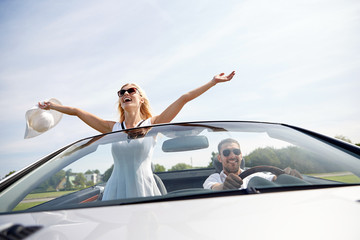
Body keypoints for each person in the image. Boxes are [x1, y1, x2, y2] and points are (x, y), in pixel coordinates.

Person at [39, 71, 236, 200]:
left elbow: (184, 98)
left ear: (141, 98)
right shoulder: (113, 127)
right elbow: (77, 111)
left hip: (145, 188)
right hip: (115, 189)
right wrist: (52, 106)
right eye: (121, 92)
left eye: (131, 90)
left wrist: (212, 82)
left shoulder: (152, 124)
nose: (125, 93)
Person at [203, 138, 302, 190]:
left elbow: (273, 178)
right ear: (220, 158)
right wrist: (224, 186)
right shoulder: (214, 178)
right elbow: (214, 188)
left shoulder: (253, 175)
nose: (232, 156)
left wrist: (287, 176)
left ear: (241, 156)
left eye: (236, 152)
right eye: (226, 152)